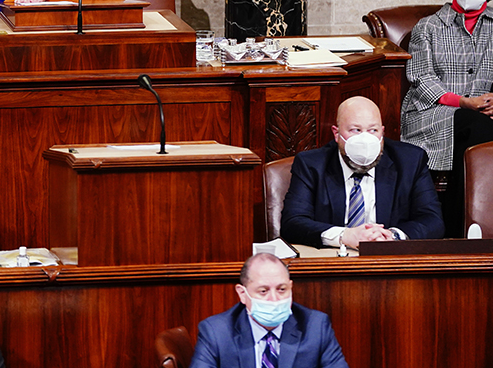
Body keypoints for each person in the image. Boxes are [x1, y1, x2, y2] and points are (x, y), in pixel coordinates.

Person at [400, 0, 493, 237]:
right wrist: (464, 102)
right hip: (432, 115)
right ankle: (466, 228)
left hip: (483, 116)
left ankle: (451, 230)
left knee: (478, 130)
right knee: (480, 129)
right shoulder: (428, 26)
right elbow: (421, 78)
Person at [280, 96, 444, 249]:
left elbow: (433, 221)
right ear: (336, 134)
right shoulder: (311, 165)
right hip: (333, 261)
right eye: (355, 130)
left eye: (373, 130)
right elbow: (292, 223)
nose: (366, 140)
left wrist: (391, 236)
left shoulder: (410, 161)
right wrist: (344, 235)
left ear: (383, 132)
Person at [190, 253, 348, 368]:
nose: (275, 299)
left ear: (291, 287)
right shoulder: (216, 332)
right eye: (263, 291)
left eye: (281, 289)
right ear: (242, 294)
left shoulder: (316, 326)